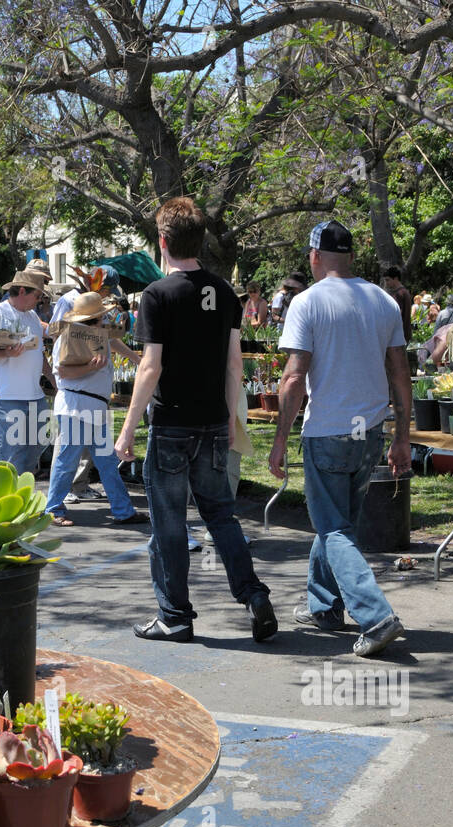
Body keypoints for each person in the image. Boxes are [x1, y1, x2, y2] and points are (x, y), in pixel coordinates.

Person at [114, 196, 278, 644]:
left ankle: (175, 614)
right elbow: (234, 366)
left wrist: (127, 428)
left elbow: (150, 367)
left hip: (171, 425)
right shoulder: (225, 291)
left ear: (162, 242)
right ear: (200, 241)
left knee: (168, 523)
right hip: (212, 423)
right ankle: (253, 594)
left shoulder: (157, 295)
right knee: (221, 516)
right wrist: (230, 419)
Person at [268, 220, 410, 657]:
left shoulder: (306, 303)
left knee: (331, 528)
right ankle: (325, 606)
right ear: (350, 255)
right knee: (336, 526)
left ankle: (375, 615)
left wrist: (278, 441)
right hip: (367, 432)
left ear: (315, 256)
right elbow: (400, 373)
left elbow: (293, 379)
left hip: (327, 430)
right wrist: (402, 435)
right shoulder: (383, 300)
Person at [45, 291, 148, 527]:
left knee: (106, 461)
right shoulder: (70, 338)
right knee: (68, 459)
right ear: (93, 320)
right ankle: (52, 509)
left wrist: (138, 360)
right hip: (76, 405)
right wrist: (90, 369)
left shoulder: (94, 336)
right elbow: (63, 372)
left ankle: (123, 510)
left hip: (92, 405)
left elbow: (113, 341)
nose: (104, 321)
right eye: (101, 317)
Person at [0, 269, 55, 476]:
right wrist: (7, 353)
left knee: (37, 446)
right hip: (8, 395)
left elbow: (39, 356)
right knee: (12, 455)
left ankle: (23, 495)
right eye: (37, 295)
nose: (40, 301)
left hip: (35, 395)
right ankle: (10, 501)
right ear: (22, 291)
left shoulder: (32, 317)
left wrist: (53, 379)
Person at [382, 265, 412, 344]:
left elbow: (396, 315)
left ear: (395, 278)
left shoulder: (400, 294)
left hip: (398, 336)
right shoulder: (404, 292)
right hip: (403, 335)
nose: (386, 283)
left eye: (388, 280)